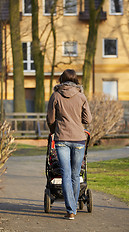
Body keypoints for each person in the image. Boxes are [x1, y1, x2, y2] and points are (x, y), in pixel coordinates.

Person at [47, 69, 92, 220]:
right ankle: (73, 206)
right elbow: (88, 120)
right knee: (75, 174)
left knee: (65, 174)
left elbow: (51, 119)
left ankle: (71, 210)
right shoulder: (81, 96)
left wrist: (54, 131)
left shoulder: (56, 95)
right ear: (76, 80)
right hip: (79, 139)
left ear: (61, 79)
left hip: (62, 139)